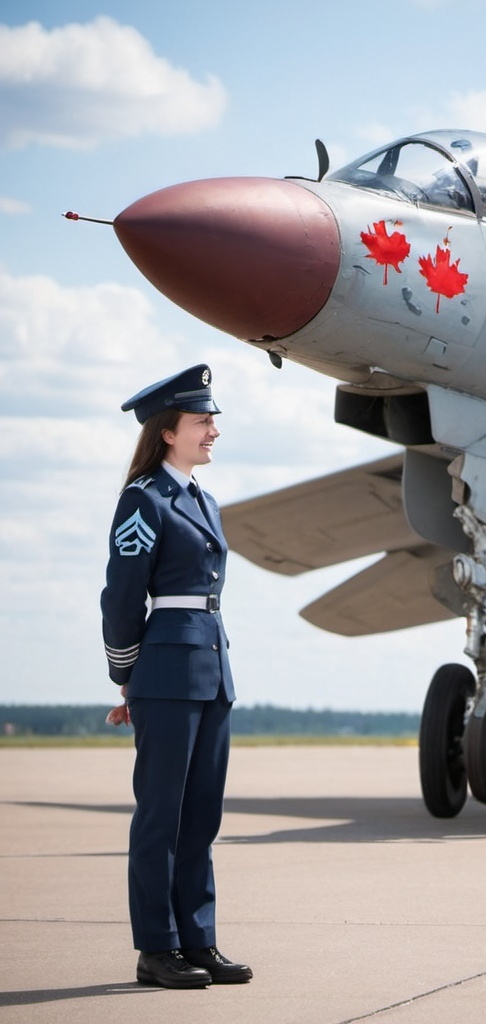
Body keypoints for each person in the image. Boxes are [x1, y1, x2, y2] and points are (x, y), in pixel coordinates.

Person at [101, 364, 252, 989]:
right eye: (202, 420)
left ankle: (199, 939)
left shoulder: (200, 499)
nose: (213, 429)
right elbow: (121, 596)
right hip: (164, 670)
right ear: (169, 432)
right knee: (160, 816)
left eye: (212, 419)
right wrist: (126, 675)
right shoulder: (144, 498)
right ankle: (156, 949)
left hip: (211, 670)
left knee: (201, 818)